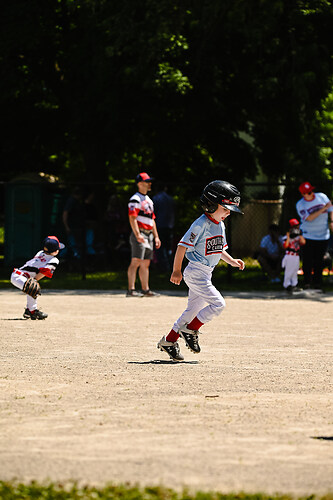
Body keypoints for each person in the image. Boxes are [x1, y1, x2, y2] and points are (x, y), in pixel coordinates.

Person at [157, 180, 245, 362]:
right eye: (225, 208)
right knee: (219, 304)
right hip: (196, 272)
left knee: (192, 310)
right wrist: (176, 271)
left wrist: (232, 261)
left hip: (206, 273)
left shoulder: (220, 224)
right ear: (211, 204)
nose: (228, 213)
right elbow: (182, 246)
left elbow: (219, 249)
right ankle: (191, 329)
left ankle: (170, 341)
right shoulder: (200, 224)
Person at [10, 236, 65, 320]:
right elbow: (43, 272)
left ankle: (29, 310)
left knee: (31, 288)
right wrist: (35, 280)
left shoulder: (40, 253)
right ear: (56, 251)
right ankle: (32, 311)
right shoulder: (54, 260)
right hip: (20, 277)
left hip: (16, 274)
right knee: (33, 288)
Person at [127, 172, 161, 297]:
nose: (149, 184)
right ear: (140, 184)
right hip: (140, 233)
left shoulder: (149, 200)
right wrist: (137, 235)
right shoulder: (135, 199)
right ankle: (131, 290)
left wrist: (156, 236)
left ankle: (145, 289)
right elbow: (132, 218)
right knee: (135, 261)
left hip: (149, 234)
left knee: (146, 263)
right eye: (147, 182)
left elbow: (152, 220)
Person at [296, 181, 333, 290]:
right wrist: (323, 208)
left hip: (323, 235)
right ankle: (307, 283)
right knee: (307, 260)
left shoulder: (321, 196)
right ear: (303, 194)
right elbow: (309, 218)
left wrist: (332, 221)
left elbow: (331, 209)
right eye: (308, 192)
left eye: (311, 191)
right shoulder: (300, 204)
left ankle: (318, 283)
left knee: (319, 260)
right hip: (308, 235)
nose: (311, 194)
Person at [152, 184, 175, 271]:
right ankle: (170, 265)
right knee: (169, 247)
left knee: (160, 248)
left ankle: (163, 267)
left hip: (160, 226)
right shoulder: (170, 199)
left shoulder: (156, 199)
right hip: (169, 225)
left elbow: (154, 214)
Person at [282, 218, 306, 294]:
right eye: (294, 227)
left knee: (295, 270)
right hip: (289, 255)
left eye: (297, 226)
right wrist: (289, 236)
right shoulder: (286, 237)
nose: (296, 228)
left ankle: (294, 284)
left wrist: (299, 234)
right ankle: (287, 285)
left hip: (296, 256)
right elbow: (285, 246)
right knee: (289, 271)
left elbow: (303, 242)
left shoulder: (298, 237)